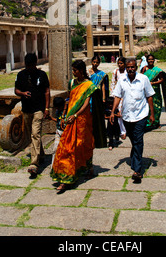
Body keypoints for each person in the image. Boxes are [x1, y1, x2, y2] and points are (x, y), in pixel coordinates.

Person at [51, 60, 106, 193]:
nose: (74, 73)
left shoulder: (88, 85)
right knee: (67, 147)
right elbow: (69, 99)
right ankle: (66, 178)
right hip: (69, 118)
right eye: (73, 70)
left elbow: (86, 102)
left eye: (75, 70)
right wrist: (64, 114)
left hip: (82, 120)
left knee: (83, 145)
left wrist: (75, 115)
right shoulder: (72, 83)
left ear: (81, 71)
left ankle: (88, 167)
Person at [110, 58, 155, 183]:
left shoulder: (143, 79)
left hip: (141, 114)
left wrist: (152, 114)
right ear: (126, 67)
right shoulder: (122, 80)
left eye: (133, 67)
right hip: (127, 115)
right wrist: (113, 111)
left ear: (136, 67)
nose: (130, 69)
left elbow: (149, 96)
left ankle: (137, 170)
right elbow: (117, 96)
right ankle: (135, 155)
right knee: (133, 139)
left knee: (138, 140)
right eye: (128, 67)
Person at [14, 53, 50, 178]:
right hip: (27, 109)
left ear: (36, 64)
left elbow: (47, 91)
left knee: (35, 134)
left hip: (38, 109)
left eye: (31, 65)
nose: (29, 67)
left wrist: (46, 108)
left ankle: (34, 164)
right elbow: (16, 90)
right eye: (27, 65)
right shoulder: (21, 75)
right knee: (32, 135)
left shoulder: (42, 75)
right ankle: (42, 154)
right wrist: (23, 93)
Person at [142, 54, 166, 130]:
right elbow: (141, 78)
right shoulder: (144, 69)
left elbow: (162, 79)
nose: (151, 61)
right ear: (147, 60)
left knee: (157, 107)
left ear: (154, 60)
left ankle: (156, 122)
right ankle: (148, 123)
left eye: (152, 59)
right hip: (146, 90)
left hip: (155, 90)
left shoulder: (158, 70)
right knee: (147, 106)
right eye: (149, 59)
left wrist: (153, 83)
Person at [110, 56, 127, 139]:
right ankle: (122, 131)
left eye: (121, 63)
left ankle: (128, 129)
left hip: (127, 94)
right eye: (118, 63)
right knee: (119, 113)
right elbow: (113, 83)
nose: (120, 65)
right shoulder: (116, 72)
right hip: (119, 95)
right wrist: (112, 94)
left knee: (126, 112)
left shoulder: (127, 71)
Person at [49, 96, 67, 168]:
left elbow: (67, 101)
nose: (57, 109)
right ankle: (53, 167)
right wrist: (51, 118)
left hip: (66, 133)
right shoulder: (57, 112)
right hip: (59, 132)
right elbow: (58, 120)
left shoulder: (67, 111)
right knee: (55, 149)